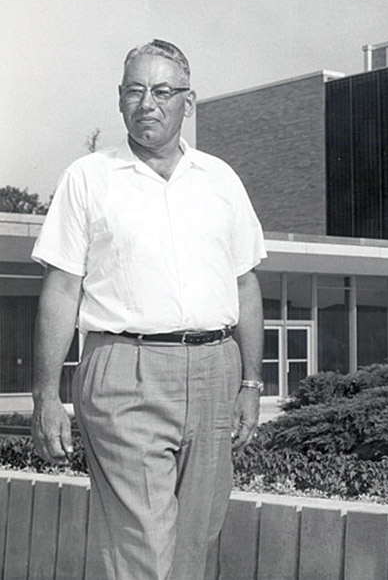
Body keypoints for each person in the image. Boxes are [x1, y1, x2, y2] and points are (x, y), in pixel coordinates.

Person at [30, 39, 266, 580]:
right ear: (119, 101)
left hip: (214, 371)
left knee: (193, 546)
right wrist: (46, 395)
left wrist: (251, 384)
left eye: (162, 91)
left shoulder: (220, 180)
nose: (147, 103)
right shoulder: (88, 178)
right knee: (144, 550)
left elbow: (245, 284)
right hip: (123, 373)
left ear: (189, 101)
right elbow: (62, 290)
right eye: (134, 91)